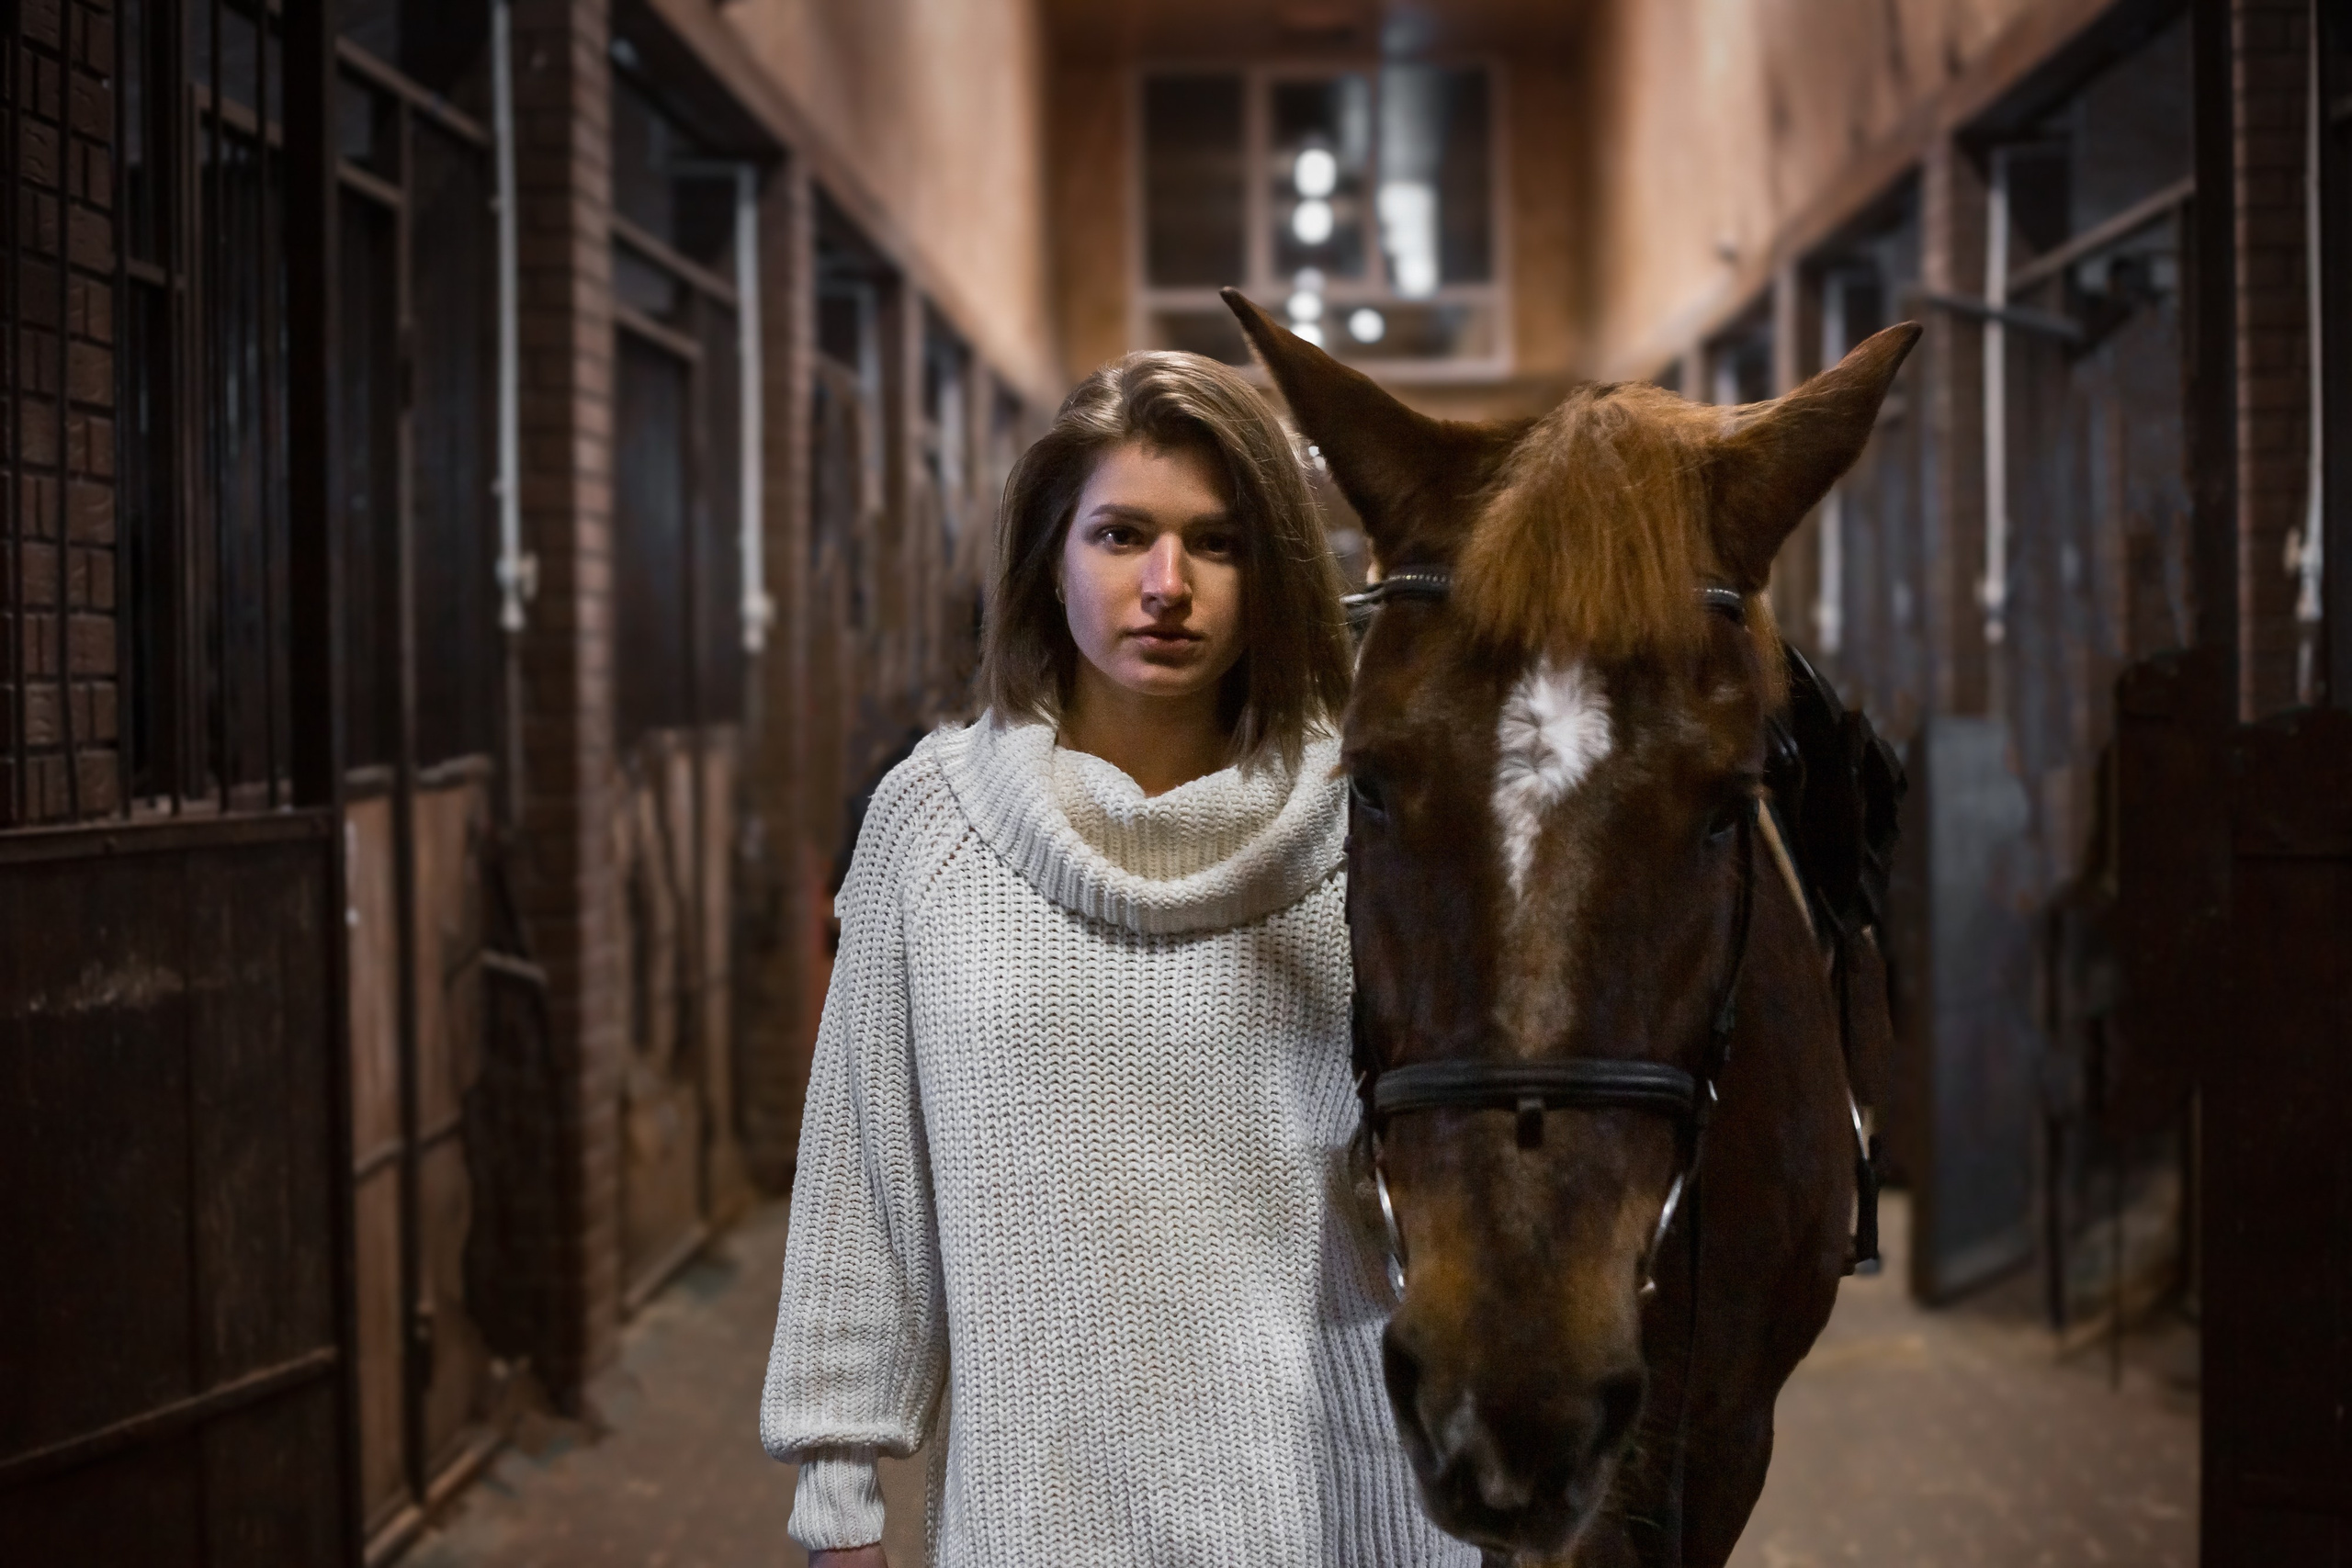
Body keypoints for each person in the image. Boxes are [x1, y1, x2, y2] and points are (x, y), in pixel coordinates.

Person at [759, 350, 1476, 1567]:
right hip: (1039, 1515)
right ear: (1050, 557)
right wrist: (839, 1496)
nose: (1167, 585)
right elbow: (864, 1179)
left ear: (1273, 572)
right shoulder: (933, 824)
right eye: (1121, 534)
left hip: (1340, 1508)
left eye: (1218, 543)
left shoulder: (1374, 829)